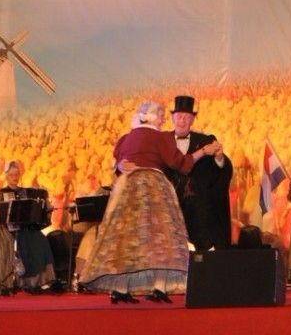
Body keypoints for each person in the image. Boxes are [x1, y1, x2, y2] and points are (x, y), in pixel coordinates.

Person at [80, 100, 219, 303]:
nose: (163, 120)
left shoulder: (125, 138)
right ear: (153, 117)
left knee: (126, 239)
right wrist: (203, 152)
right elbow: (181, 163)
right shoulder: (160, 138)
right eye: (161, 116)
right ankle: (159, 287)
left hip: (127, 189)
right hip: (153, 188)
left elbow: (118, 163)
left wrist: (121, 166)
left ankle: (120, 289)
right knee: (162, 237)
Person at [162, 95, 233, 251]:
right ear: (172, 118)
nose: (182, 120)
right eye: (179, 116)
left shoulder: (205, 141)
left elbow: (222, 171)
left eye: (187, 117)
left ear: (193, 120)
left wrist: (219, 158)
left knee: (204, 257)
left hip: (200, 215)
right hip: (170, 212)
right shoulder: (163, 142)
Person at [0, 160, 57, 294]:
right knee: (16, 240)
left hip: (24, 228)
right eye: (11, 175)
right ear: (6, 177)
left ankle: (38, 282)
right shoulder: (1, 194)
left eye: (16, 175)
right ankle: (9, 283)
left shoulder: (25, 192)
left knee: (40, 239)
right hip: (7, 228)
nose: (14, 178)